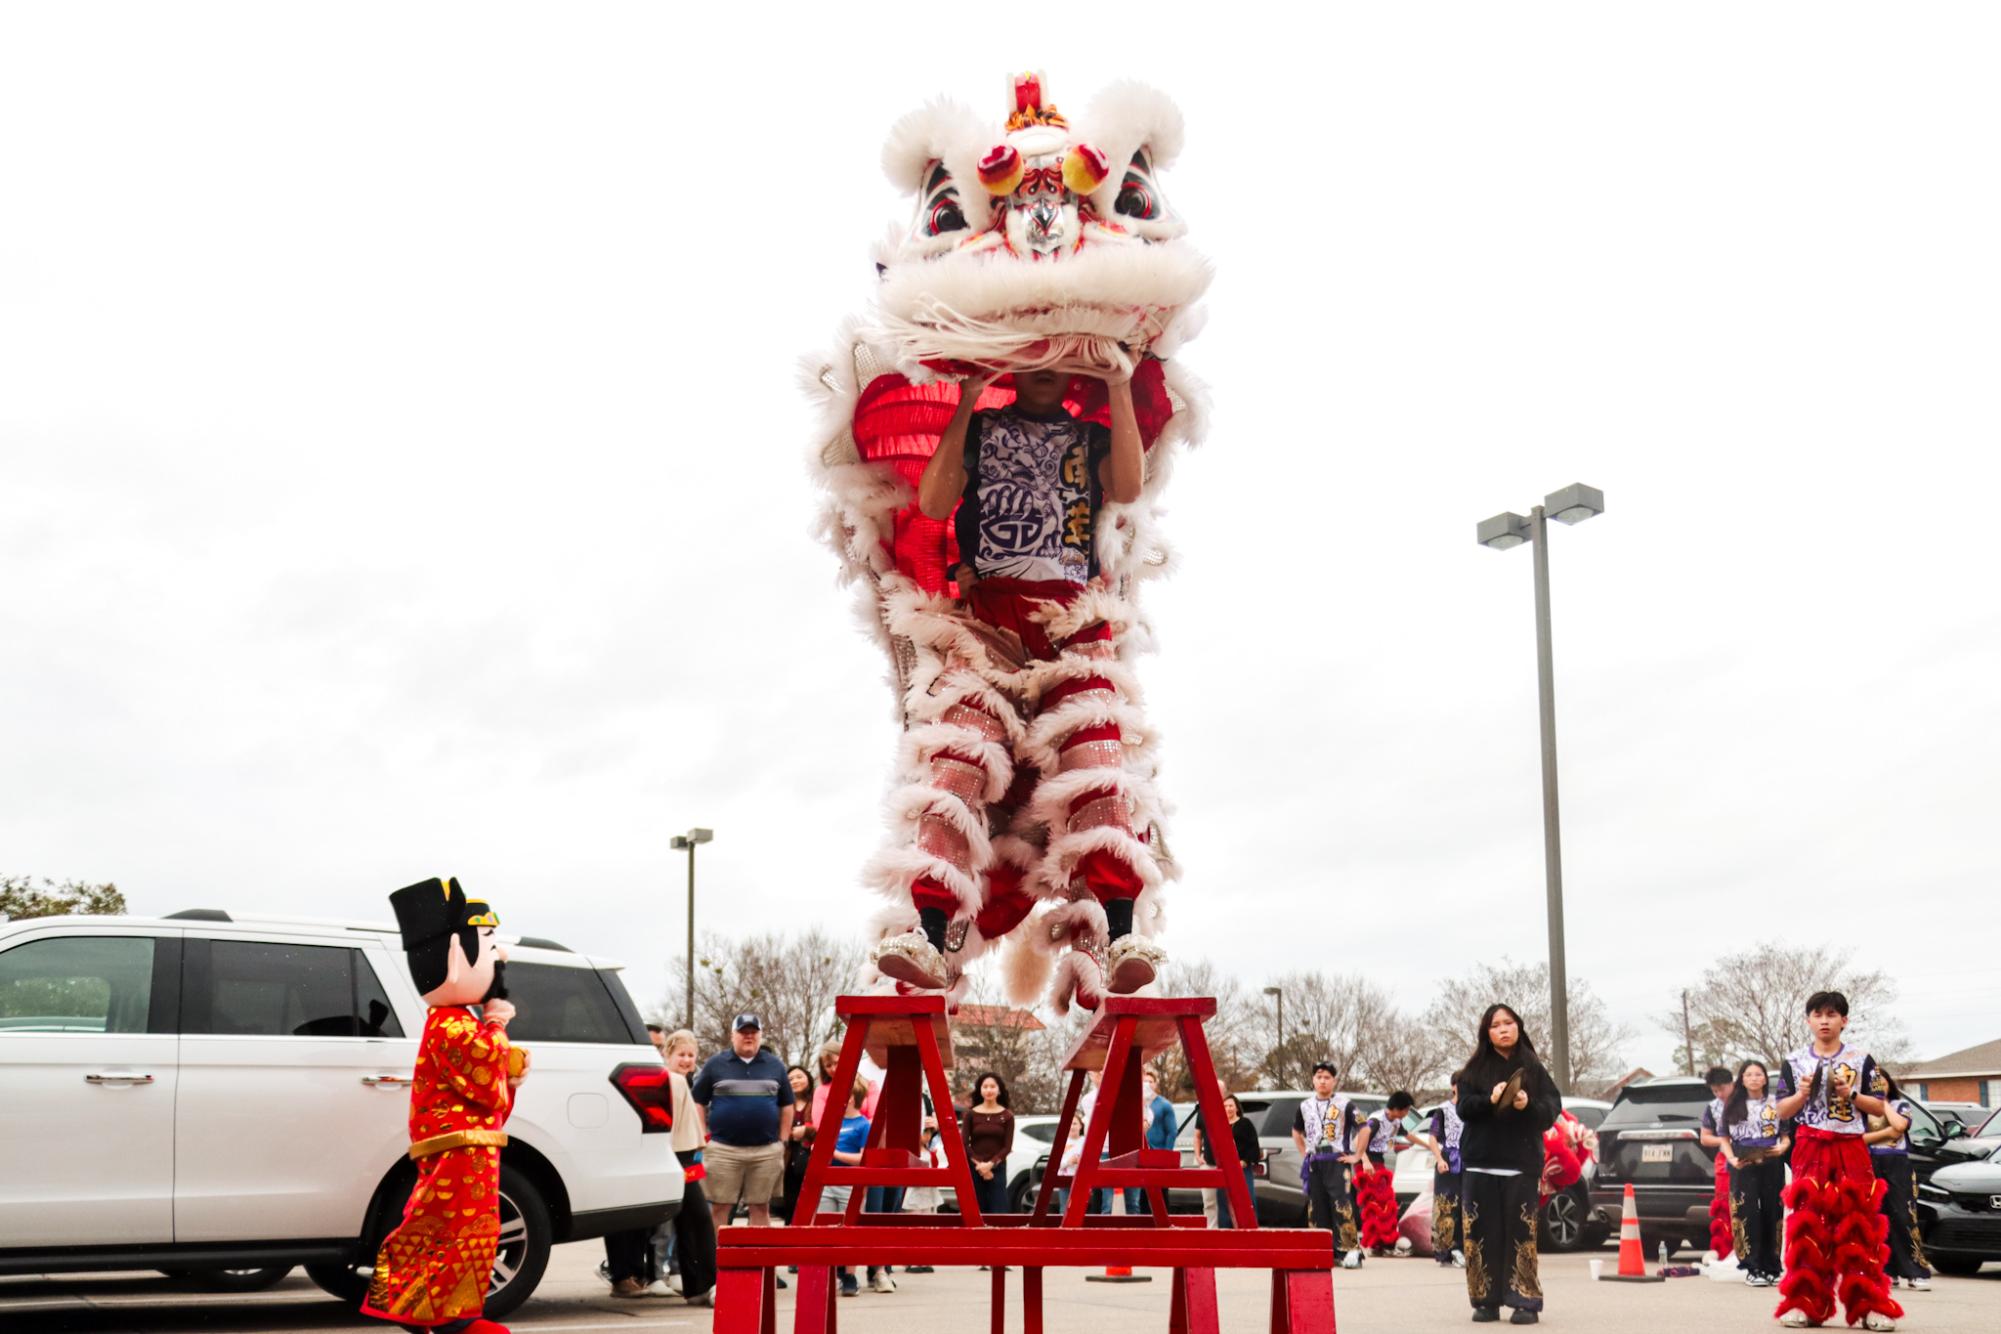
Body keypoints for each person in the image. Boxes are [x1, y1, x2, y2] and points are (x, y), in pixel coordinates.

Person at [867, 362, 1168, 1010]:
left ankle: (1118, 936)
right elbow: (932, 502)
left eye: (1054, 362)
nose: (1042, 373)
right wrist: (968, 396)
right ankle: (929, 934)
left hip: (1070, 624)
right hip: (986, 627)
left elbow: (1126, 483)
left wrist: (1117, 383)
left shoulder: (1090, 439)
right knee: (956, 764)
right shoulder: (979, 429)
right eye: (1027, 360)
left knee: (1097, 765)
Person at [362, 877, 528, 1334]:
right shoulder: (451, 1024)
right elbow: (482, 1071)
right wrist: (497, 1027)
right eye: (490, 947)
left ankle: (432, 1312)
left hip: (465, 1146)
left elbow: (489, 1079)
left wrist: (503, 1059)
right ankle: (447, 1317)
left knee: (457, 1230)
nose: (500, 959)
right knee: (455, 1230)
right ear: (457, 955)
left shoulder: (455, 1021)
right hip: (457, 1148)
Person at [1773, 990, 1902, 1331]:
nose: (1824, 1021)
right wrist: (1801, 1094)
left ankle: (1871, 1307)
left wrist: (1851, 1094)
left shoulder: (1862, 1059)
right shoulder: (1795, 1060)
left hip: (1850, 1146)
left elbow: (1880, 1107)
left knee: (1860, 1223)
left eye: (1832, 1015)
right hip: (1810, 1145)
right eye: (1818, 1015)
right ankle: (1804, 1304)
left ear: (1844, 1020)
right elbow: (1781, 1110)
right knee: (1808, 1224)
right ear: (1808, 1020)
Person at [1456, 1003, 1561, 1325]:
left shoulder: (1534, 1069)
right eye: (1496, 1024)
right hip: (1480, 1164)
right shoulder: (1472, 1071)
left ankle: (1524, 1300)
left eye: (1509, 1022)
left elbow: (1550, 1110)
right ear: (1486, 1033)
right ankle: (1485, 1300)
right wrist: (1490, 1099)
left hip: (1520, 1165)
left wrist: (1527, 1103)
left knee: (1521, 1233)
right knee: (1480, 1235)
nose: (1503, 1029)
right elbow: (1464, 1109)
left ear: (1519, 1026)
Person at [689, 1014, 794, 1242]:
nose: (748, 1037)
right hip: (723, 1149)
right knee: (719, 1207)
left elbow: (787, 1104)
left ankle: (758, 1267)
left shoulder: (774, 1064)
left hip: (766, 1151)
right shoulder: (716, 1064)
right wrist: (701, 1136)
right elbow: (697, 1100)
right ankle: (715, 1266)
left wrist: (782, 1141)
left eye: (753, 1032)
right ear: (733, 1035)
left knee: (761, 1207)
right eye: (743, 1032)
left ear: (760, 1035)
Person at [1719, 1058, 1790, 1289]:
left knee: (1773, 1210)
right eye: (1748, 1074)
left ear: (1765, 1078)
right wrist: (1731, 1159)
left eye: (1758, 1074)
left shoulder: (1776, 1103)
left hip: (1771, 1157)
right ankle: (1752, 1267)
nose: (1754, 1078)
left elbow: (1786, 1135)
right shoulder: (1732, 1103)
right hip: (1743, 1161)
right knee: (1747, 1211)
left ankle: (1772, 1266)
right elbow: (1724, 1138)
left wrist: (1783, 1146)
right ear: (1742, 1078)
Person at [659, 1030, 716, 1306]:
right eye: (680, 1054)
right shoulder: (675, 1081)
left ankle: (696, 1286)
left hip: (683, 1153)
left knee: (687, 1222)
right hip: (680, 1155)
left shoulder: (683, 1081)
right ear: (667, 1055)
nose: (686, 1060)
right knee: (699, 1219)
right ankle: (707, 1282)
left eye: (691, 1055)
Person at [1865, 1068, 1932, 1293]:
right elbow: (1860, 1138)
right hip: (1871, 1165)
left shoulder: (1900, 1106)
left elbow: (1900, 1127)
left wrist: (1881, 1102)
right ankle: (1887, 1271)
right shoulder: (1861, 1111)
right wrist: (1886, 1134)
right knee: (1878, 1218)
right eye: (1873, 1084)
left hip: (1898, 1165)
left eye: (1881, 1082)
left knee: (1903, 1215)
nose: (1877, 1086)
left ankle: (1916, 1271)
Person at [1290, 1062, 1361, 1267]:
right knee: (1317, 1206)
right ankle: (1322, 1250)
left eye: (1327, 1077)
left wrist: (1357, 1155)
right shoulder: (1305, 1106)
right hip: (1315, 1161)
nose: (1322, 1081)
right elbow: (1296, 1131)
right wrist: (1305, 1153)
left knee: (1341, 1204)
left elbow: (1363, 1127)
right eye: (1319, 1077)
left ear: (1334, 1080)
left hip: (1336, 1160)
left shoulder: (1345, 1104)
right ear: (1313, 1080)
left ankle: (1350, 1249)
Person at [821, 1080, 875, 1298]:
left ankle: (850, 1275)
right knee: (826, 1229)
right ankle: (829, 1273)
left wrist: (834, 1155)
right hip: (827, 1182)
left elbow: (863, 1157)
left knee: (849, 1229)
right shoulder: (831, 1122)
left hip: (849, 1183)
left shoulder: (863, 1125)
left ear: (851, 1098)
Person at [1408, 1074, 1466, 1268]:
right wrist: (1440, 1159)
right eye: (1461, 1084)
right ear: (1453, 1086)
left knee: (1467, 1205)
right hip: (1448, 1159)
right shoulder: (1443, 1110)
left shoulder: (1472, 1109)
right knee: (1446, 1206)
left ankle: (1463, 1248)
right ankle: (1446, 1250)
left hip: (1468, 1160)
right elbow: (1433, 1138)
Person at [1355, 1091, 1414, 1256]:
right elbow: (1357, 1142)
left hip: (1378, 1162)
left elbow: (1409, 1135)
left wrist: (1431, 1146)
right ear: (1396, 1108)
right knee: (1374, 1205)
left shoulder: (1395, 1121)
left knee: (1386, 1204)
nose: (1407, 1114)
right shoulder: (1375, 1121)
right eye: (1406, 1110)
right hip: (1366, 1164)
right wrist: (1365, 1161)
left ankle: (1383, 1243)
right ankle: (1375, 1244)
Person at [1698, 1065, 1738, 1263]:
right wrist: (1723, 1141)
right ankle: (1724, 1250)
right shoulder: (1713, 1107)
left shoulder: (1748, 1100)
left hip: (1749, 1156)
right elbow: (1705, 1137)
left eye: (1722, 1089)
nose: (1719, 1094)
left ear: (1732, 1084)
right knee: (1724, 1206)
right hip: (1724, 1161)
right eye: (1715, 1091)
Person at [963, 1071, 1015, 1217]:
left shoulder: (1007, 1116)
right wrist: (981, 1166)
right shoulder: (970, 1114)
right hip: (975, 1168)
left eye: (992, 1086)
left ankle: (998, 1240)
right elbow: (964, 1144)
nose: (989, 1090)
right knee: (975, 1211)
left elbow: (1007, 1147)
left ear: (999, 1090)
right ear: (980, 1090)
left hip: (997, 1168)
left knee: (999, 1211)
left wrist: (990, 1165)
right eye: (985, 1086)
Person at [1129, 1068, 1179, 1216]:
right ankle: (1145, 1225)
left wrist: (1166, 1155)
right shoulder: (1136, 1103)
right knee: (1143, 1193)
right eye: (1144, 1082)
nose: (1147, 1085)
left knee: (1161, 1194)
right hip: (1141, 1155)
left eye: (1150, 1082)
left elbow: (1172, 1131)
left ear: (1155, 1084)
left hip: (1158, 1155)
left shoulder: (1164, 1105)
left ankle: (1163, 1226)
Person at [1211, 1095, 1261, 1229]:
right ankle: (1225, 1231)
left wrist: (1244, 1161)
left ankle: (1251, 1230)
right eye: (1225, 1106)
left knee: (1247, 1199)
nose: (1228, 1109)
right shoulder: (1218, 1125)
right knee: (1223, 1202)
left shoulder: (1245, 1124)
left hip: (1242, 1168)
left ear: (1237, 1108)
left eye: (1231, 1106)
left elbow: (1254, 1147)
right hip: (1224, 1169)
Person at [778, 1063, 815, 1226]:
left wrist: (806, 1131)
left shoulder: (817, 1102)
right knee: (790, 1203)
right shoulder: (782, 1104)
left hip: (810, 1156)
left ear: (808, 1079)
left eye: (799, 1077)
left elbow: (824, 1126)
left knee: (809, 1203)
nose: (795, 1081)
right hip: (787, 1157)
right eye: (790, 1079)